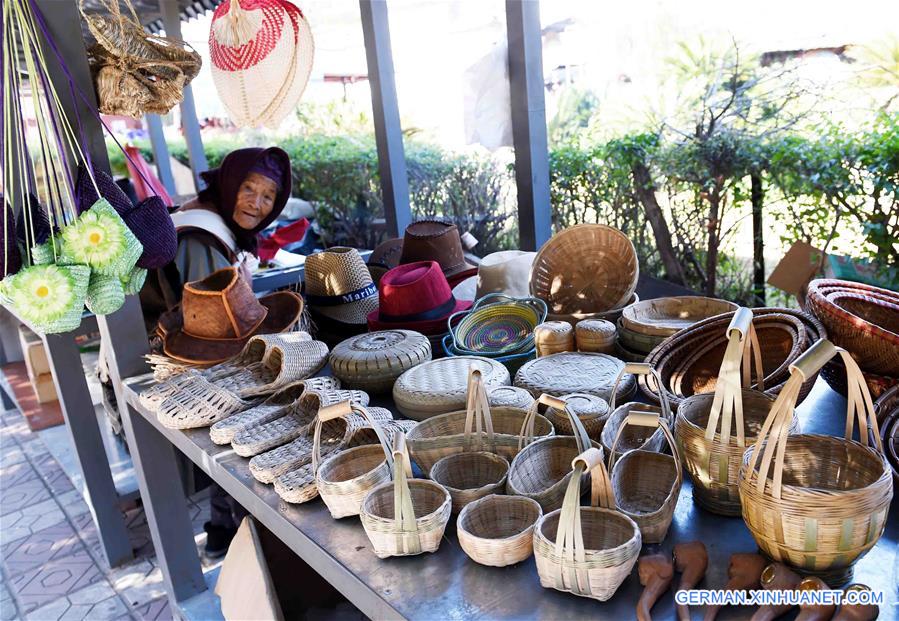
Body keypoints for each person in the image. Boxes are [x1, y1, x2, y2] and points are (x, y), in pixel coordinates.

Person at [142, 146, 292, 558]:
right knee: (233, 449)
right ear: (229, 184)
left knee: (227, 449)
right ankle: (241, 540)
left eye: (268, 196)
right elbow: (213, 321)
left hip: (205, 351)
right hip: (196, 357)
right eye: (248, 188)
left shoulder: (217, 221)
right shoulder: (203, 235)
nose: (257, 204)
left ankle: (223, 532)